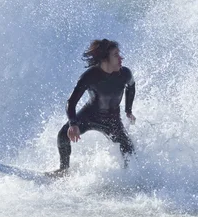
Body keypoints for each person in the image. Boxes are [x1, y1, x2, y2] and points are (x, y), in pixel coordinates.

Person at [50, 39, 136, 176]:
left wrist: (128, 110)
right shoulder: (89, 76)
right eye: (116, 55)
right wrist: (73, 124)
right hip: (89, 116)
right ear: (104, 59)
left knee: (128, 148)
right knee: (63, 135)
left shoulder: (125, 74)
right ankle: (63, 170)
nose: (121, 58)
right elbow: (71, 102)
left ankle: (129, 177)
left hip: (112, 120)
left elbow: (131, 87)